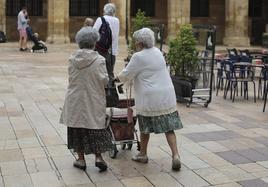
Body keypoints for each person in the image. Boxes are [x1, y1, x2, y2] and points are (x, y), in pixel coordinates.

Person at [117, 28, 183, 171]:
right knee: (169, 128)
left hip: (150, 97)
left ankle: (143, 154)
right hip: (166, 95)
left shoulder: (138, 56)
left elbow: (127, 73)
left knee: (145, 127)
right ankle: (176, 155)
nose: (135, 44)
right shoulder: (158, 52)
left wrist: (116, 79)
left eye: (136, 41)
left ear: (140, 42)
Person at [60, 26, 112, 172]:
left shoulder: (72, 59)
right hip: (93, 98)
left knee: (77, 128)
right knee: (95, 127)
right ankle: (99, 157)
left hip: (75, 98)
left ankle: (81, 159)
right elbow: (104, 80)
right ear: (94, 42)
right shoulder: (99, 60)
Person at [93, 3, 120, 79]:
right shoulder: (117, 20)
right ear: (114, 11)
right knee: (110, 73)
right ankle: (110, 89)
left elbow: (93, 33)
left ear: (104, 10)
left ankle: (101, 90)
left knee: (99, 73)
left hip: (101, 50)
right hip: (113, 51)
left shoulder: (101, 19)